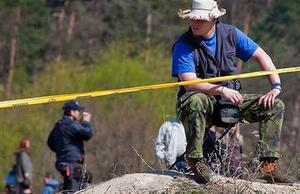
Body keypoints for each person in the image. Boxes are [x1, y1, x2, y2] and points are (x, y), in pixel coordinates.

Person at [172, 0, 289, 183]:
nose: (194, 23)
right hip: (199, 103)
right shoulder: (183, 44)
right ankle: (195, 161)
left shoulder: (231, 34)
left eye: (200, 20)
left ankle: (268, 167)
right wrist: (221, 90)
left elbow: (262, 56)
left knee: (275, 106)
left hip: (230, 102)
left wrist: (276, 87)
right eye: (192, 19)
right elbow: (189, 83)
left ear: (214, 19)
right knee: (196, 100)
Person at [47, 101, 94, 193]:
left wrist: (62, 150)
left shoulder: (58, 125)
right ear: (71, 112)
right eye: (77, 111)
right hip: (72, 164)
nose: (79, 113)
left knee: (68, 188)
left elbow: (50, 143)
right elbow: (87, 133)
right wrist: (86, 122)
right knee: (74, 190)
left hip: (63, 162)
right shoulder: (71, 124)